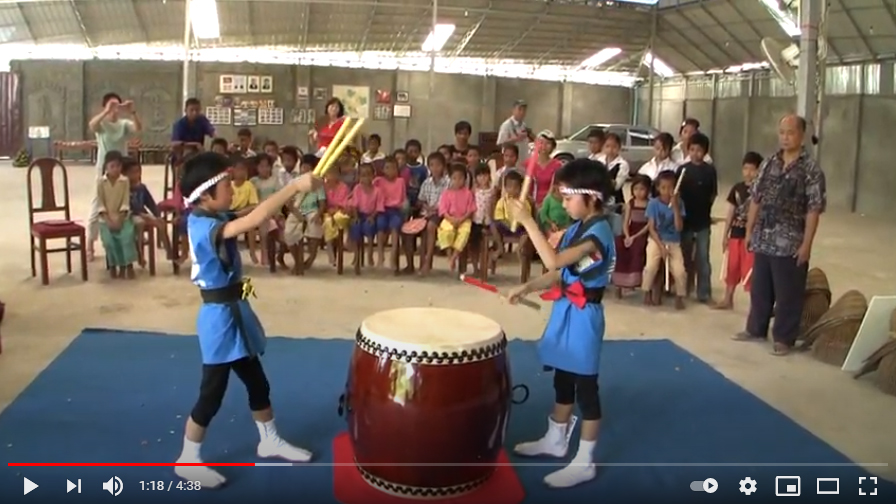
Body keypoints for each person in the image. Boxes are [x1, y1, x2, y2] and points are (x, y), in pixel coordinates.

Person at [173, 151, 319, 488]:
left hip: (234, 313)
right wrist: (294, 186)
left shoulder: (209, 214)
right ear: (206, 195)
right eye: (226, 184)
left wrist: (289, 196)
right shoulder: (205, 226)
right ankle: (187, 458)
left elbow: (250, 211)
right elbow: (254, 219)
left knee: (257, 382)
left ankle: (269, 440)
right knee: (212, 392)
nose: (232, 188)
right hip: (218, 320)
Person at [503, 158, 616, 489]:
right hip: (568, 309)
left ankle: (585, 462)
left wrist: (527, 221)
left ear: (591, 197)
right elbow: (560, 272)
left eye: (568, 197)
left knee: (586, 389)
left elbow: (553, 260)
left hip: (584, 317)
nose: (563, 203)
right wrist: (528, 286)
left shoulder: (598, 236)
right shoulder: (581, 228)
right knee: (563, 379)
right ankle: (556, 440)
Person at [738, 115, 826, 356]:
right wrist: (749, 230)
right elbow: (756, 198)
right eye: (782, 132)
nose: (785, 137)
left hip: (790, 241)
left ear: (801, 135)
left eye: (790, 132)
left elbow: (813, 208)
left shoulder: (811, 170)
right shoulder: (769, 163)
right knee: (760, 289)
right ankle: (755, 329)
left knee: (788, 293)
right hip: (764, 237)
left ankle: (784, 338)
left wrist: (806, 244)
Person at [86, 92, 142, 261]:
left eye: (117, 105)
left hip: (121, 170)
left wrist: (132, 112)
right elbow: (92, 125)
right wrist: (106, 111)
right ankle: (89, 246)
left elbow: (138, 129)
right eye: (111, 105)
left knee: (124, 206)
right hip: (103, 169)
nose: (115, 109)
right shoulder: (102, 124)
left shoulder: (124, 124)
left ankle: (128, 245)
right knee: (98, 205)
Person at [714, 152, 762, 310]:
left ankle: (755, 306)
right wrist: (725, 234)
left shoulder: (761, 191)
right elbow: (731, 212)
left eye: (752, 169)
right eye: (745, 168)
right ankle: (728, 299)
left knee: (750, 270)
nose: (748, 173)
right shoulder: (737, 188)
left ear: (759, 171)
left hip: (752, 238)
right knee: (732, 266)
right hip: (735, 234)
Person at [675, 132, 718, 303]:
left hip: (703, 222)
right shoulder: (682, 170)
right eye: (692, 149)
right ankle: (684, 288)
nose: (695, 153)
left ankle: (704, 292)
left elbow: (713, 194)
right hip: (685, 222)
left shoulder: (709, 171)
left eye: (699, 150)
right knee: (685, 256)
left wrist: (706, 209)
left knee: (702, 257)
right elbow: (676, 194)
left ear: (705, 152)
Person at [641, 171, 687, 309]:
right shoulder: (653, 204)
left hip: (673, 241)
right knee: (650, 267)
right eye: (663, 188)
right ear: (658, 188)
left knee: (679, 271)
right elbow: (652, 228)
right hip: (656, 240)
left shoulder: (679, 203)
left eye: (671, 187)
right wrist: (661, 246)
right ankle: (646, 292)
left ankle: (680, 296)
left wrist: (676, 208)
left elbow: (679, 228)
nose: (667, 191)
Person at [96, 151, 138, 279]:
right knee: (109, 241)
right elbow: (100, 203)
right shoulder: (100, 182)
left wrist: (120, 218)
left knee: (126, 238)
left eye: (118, 166)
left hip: (122, 217)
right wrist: (108, 220)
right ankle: (113, 266)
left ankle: (128, 265)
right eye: (112, 166)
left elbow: (125, 202)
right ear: (106, 167)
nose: (115, 169)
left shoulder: (124, 181)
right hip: (106, 219)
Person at [124, 157, 171, 263]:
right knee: (140, 224)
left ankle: (169, 250)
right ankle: (139, 253)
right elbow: (126, 206)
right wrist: (141, 214)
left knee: (161, 222)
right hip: (131, 214)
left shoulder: (141, 187)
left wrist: (157, 214)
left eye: (137, 172)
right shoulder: (124, 188)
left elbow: (150, 203)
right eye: (132, 172)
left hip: (143, 213)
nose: (135, 175)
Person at [612, 175, 651, 296]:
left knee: (637, 248)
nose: (639, 192)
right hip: (630, 231)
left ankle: (634, 281)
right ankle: (619, 282)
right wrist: (628, 235)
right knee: (619, 245)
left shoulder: (650, 204)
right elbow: (625, 222)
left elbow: (649, 225)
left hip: (643, 232)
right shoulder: (630, 203)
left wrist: (634, 237)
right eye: (636, 189)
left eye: (642, 189)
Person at [437, 164, 477, 270]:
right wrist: (451, 219)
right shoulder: (446, 193)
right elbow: (443, 211)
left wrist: (461, 219)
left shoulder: (468, 194)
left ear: (465, 179)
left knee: (464, 233)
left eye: (460, 178)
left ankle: (454, 257)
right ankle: (450, 256)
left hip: (464, 219)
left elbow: (471, 210)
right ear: (450, 179)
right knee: (445, 231)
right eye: (454, 178)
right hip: (449, 218)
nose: (457, 180)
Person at [417, 152, 451, 275]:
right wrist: (426, 206)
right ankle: (423, 262)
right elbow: (421, 200)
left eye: (438, 165)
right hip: (426, 213)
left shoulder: (448, 182)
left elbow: (449, 201)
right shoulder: (427, 182)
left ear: (443, 166)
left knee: (431, 226)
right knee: (420, 227)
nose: (435, 168)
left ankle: (427, 261)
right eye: (432, 165)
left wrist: (435, 208)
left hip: (441, 213)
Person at [374, 157, 407, 270]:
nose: (390, 170)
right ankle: (380, 255)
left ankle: (393, 257)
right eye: (387, 168)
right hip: (382, 210)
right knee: (380, 227)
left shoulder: (400, 181)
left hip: (395, 210)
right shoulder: (379, 181)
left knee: (395, 228)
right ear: (383, 170)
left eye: (393, 168)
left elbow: (402, 198)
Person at [348, 163, 383, 266]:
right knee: (355, 226)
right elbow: (354, 204)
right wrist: (356, 217)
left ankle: (370, 255)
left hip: (372, 216)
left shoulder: (377, 191)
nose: (366, 178)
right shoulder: (357, 188)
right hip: (359, 214)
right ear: (358, 177)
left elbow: (379, 207)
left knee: (369, 228)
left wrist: (372, 217)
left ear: (373, 176)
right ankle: (356, 255)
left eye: (368, 175)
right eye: (362, 175)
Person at [494, 170, 532, 258]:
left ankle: (518, 249)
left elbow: (527, 217)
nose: (512, 190)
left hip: (519, 227)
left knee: (527, 232)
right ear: (505, 187)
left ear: (520, 188)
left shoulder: (524, 202)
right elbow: (498, 216)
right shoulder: (502, 201)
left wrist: (521, 223)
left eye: (516, 187)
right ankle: (500, 247)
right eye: (509, 187)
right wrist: (505, 223)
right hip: (505, 226)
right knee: (493, 226)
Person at [322, 171, 352, 266]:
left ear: (338, 175)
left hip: (341, 211)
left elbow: (345, 202)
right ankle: (331, 254)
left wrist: (336, 209)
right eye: (329, 173)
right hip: (327, 212)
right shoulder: (323, 187)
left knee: (340, 218)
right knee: (327, 222)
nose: (331, 175)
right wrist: (327, 210)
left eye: (333, 173)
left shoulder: (344, 187)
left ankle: (343, 239)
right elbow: (322, 202)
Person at [528, 130, 563, 206]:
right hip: (529, 204)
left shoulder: (557, 165)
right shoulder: (528, 164)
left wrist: (543, 205)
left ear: (553, 146)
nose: (544, 146)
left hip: (550, 204)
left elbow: (555, 187)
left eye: (548, 143)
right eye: (541, 143)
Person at [596, 132, 630, 208]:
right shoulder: (599, 161)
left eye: (614, 147)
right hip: (600, 199)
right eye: (607, 146)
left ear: (619, 148)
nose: (610, 150)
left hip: (615, 200)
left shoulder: (622, 164)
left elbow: (616, 186)